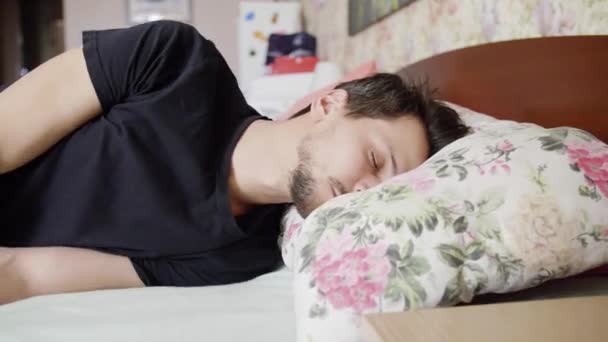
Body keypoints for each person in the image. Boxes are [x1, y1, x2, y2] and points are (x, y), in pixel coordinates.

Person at [0, 20, 469, 304]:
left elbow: (26, 274)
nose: (368, 192)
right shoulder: (174, 62)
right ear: (328, 104)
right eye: (374, 158)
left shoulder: (244, 255)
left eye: (386, 192)